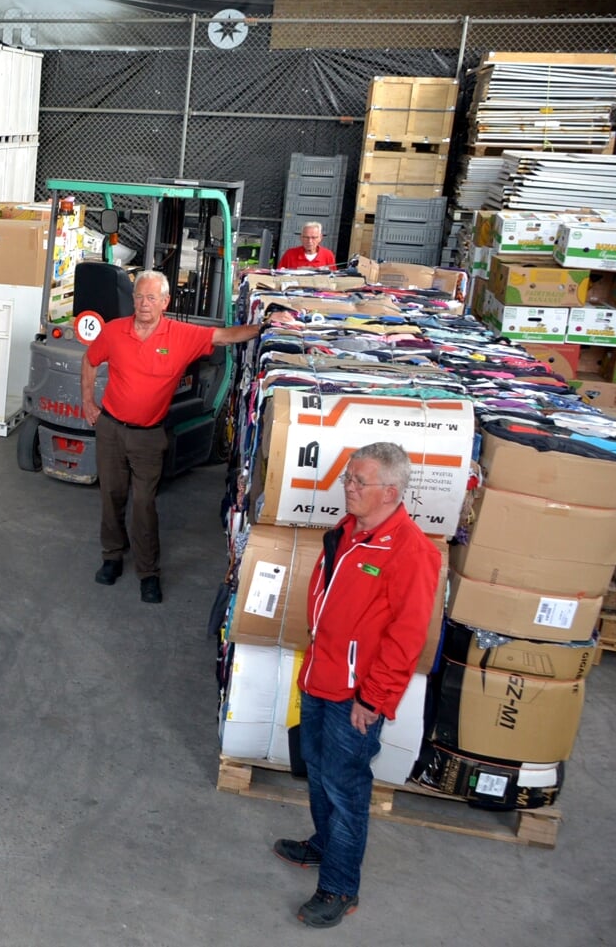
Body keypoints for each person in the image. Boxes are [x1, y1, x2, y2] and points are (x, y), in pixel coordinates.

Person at [273, 442, 439, 929]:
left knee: (346, 789)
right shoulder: (348, 532)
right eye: (348, 478)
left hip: (355, 697)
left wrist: (374, 699)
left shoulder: (412, 553)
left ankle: (341, 887)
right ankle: (323, 845)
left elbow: (406, 639)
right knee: (319, 771)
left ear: (390, 491)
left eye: (358, 481)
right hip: (319, 677)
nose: (347, 487)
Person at [82, 269, 261, 604]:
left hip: (148, 437)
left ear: (165, 302)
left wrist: (266, 328)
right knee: (111, 497)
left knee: (144, 504)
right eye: (139, 296)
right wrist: (88, 402)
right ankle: (112, 557)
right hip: (110, 429)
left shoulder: (182, 335)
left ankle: (148, 573)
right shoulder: (114, 331)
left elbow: (225, 336)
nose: (144, 303)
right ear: (132, 299)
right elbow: (90, 361)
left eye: (152, 297)